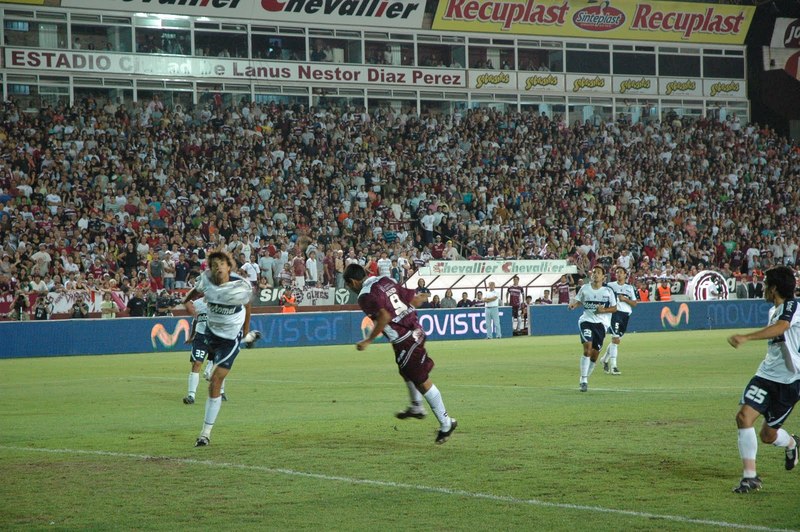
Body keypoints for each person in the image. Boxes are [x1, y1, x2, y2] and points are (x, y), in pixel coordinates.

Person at [343, 263, 457, 444]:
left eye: (348, 285)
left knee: (422, 380)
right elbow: (412, 298)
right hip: (413, 329)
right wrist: (422, 297)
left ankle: (446, 423)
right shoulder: (385, 280)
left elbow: (384, 317)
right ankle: (416, 406)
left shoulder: (365, 296)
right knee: (406, 371)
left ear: (353, 282)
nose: (349, 288)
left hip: (406, 339)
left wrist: (368, 340)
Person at [727, 266, 800, 493]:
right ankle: (750, 477)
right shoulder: (774, 310)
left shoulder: (793, 306)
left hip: (789, 381)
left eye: (765, 283)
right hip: (765, 376)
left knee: (768, 435)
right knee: (743, 417)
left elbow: (782, 327)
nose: (763, 288)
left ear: (774, 287)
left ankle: (792, 443)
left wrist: (746, 337)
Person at [182, 249, 261, 447]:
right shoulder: (205, 280)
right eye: (214, 265)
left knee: (214, 380)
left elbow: (248, 304)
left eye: (222, 264)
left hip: (230, 338)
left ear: (229, 266)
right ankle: (247, 341)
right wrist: (186, 300)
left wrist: (245, 328)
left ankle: (205, 433)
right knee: (204, 368)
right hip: (210, 333)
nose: (218, 268)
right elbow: (195, 292)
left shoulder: (240, 286)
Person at [568, 265, 617, 392]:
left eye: (598, 272)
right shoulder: (585, 288)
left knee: (594, 356)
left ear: (603, 277)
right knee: (587, 349)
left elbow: (614, 308)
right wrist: (574, 305)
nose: (595, 274)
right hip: (586, 321)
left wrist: (604, 310)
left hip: (601, 325)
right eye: (594, 272)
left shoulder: (608, 291)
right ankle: (583, 380)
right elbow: (579, 301)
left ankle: (585, 378)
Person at [181, 298, 222, 405]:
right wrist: (191, 336)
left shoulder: (220, 301)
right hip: (200, 337)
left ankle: (221, 391)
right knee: (196, 363)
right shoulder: (197, 303)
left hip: (215, 337)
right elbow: (196, 320)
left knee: (219, 365)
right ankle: (191, 395)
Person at [600, 267, 638, 375]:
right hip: (614, 314)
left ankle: (604, 360)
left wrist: (625, 299)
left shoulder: (630, 288)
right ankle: (614, 366)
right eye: (617, 272)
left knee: (616, 340)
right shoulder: (610, 285)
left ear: (626, 275)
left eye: (621, 272)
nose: (619, 274)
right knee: (615, 339)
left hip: (625, 315)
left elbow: (635, 303)